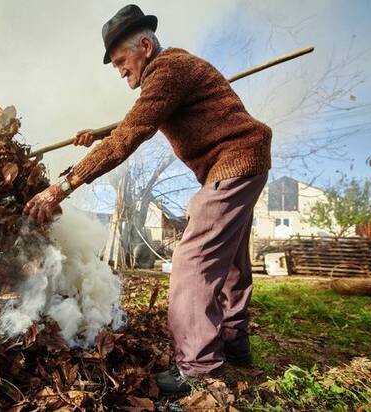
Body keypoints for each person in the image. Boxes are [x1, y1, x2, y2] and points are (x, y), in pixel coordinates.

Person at [23, 4, 271, 393]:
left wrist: (63, 186)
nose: (120, 70)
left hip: (234, 163)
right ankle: (234, 343)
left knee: (193, 260)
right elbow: (130, 124)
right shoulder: (171, 74)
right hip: (247, 161)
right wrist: (98, 134)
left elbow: (132, 134)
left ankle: (199, 369)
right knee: (232, 260)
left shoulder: (168, 70)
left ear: (145, 45)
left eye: (122, 60)